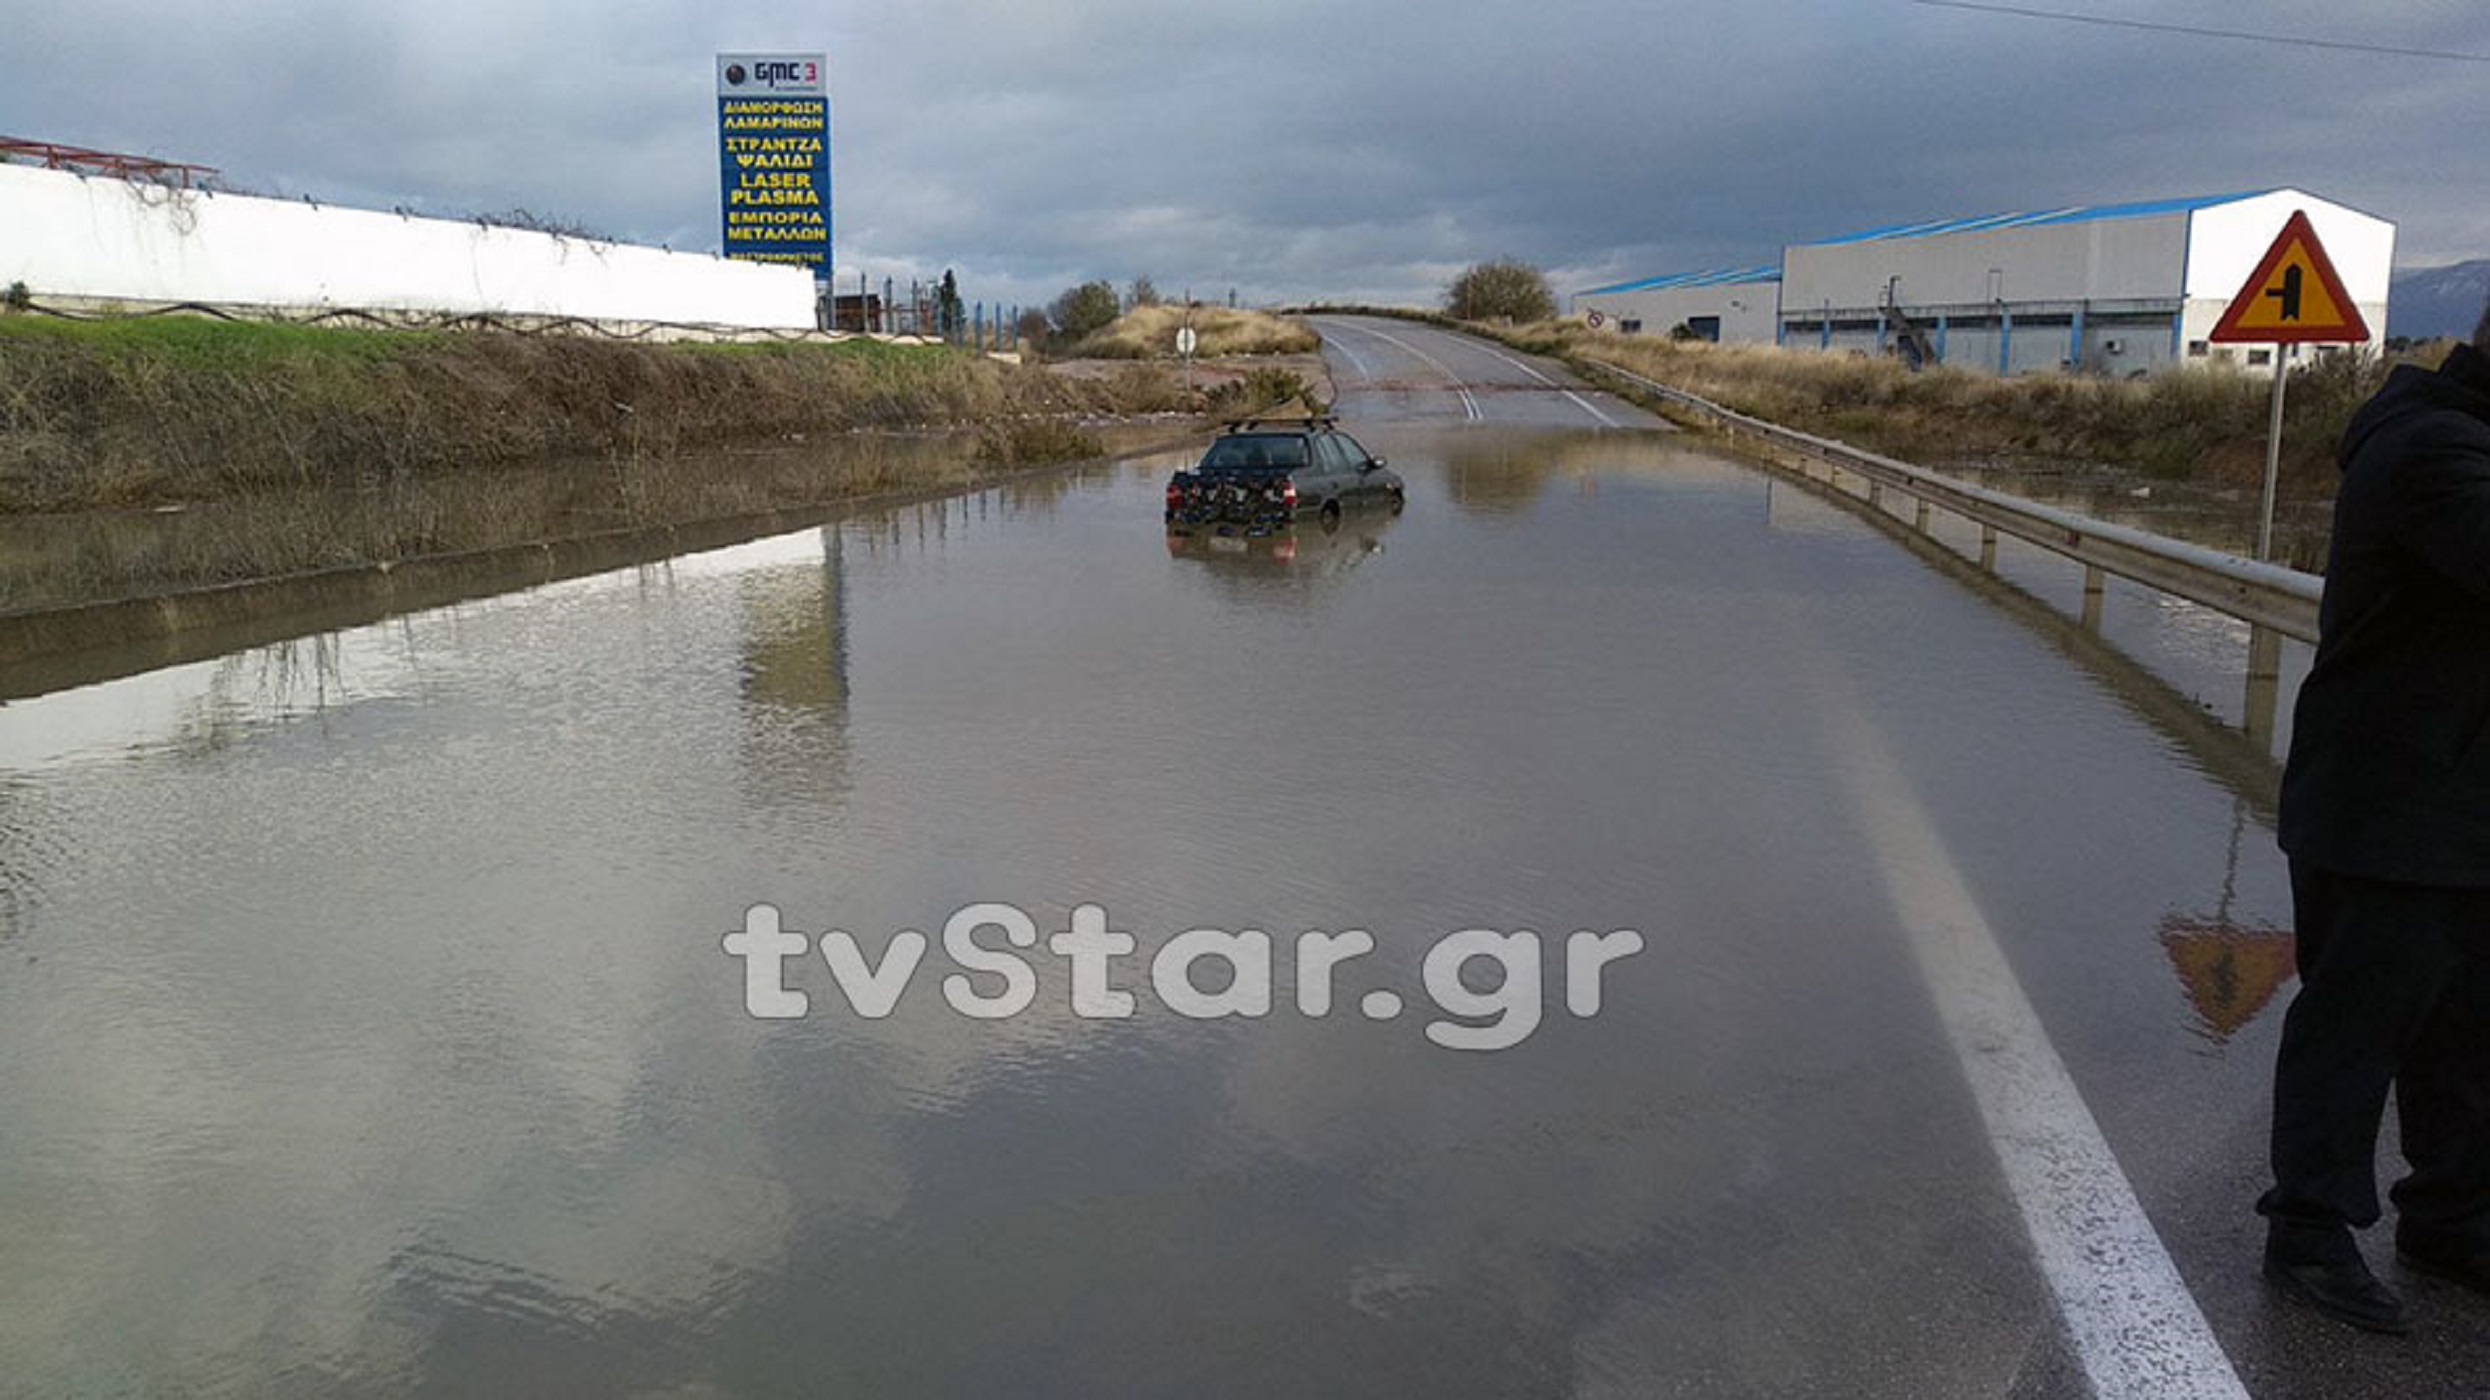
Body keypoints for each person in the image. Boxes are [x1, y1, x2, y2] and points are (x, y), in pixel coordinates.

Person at [2263, 294, 2490, 1333]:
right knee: (2355, 1026)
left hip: (2461, 804)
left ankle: (2449, 1214)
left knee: (2467, 1031)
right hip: (2388, 802)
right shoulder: (2430, 450)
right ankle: (2307, 1229)